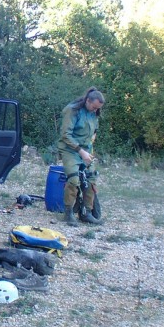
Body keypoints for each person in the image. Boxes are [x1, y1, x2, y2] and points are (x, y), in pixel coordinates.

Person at [57, 87, 105, 225]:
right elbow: (65, 135)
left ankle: (87, 213)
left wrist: (89, 150)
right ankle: (68, 213)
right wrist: (81, 151)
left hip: (86, 150)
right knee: (73, 179)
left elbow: (93, 131)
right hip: (70, 149)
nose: (95, 110)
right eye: (94, 106)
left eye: (98, 108)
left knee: (91, 179)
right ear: (87, 100)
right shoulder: (72, 111)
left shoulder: (94, 113)